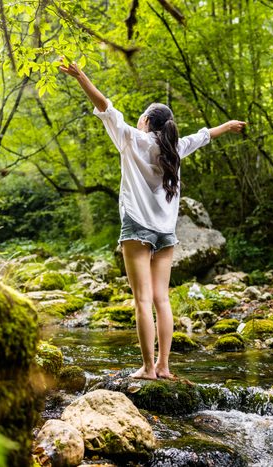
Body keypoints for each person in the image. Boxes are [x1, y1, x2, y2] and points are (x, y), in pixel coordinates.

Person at [60, 61, 246, 380]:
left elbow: (105, 106)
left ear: (146, 120)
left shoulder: (132, 139)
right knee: (162, 300)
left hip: (137, 229)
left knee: (142, 300)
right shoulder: (175, 149)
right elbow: (204, 136)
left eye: (141, 116)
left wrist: (81, 77)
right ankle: (164, 366)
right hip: (166, 235)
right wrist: (228, 126)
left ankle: (147, 368)